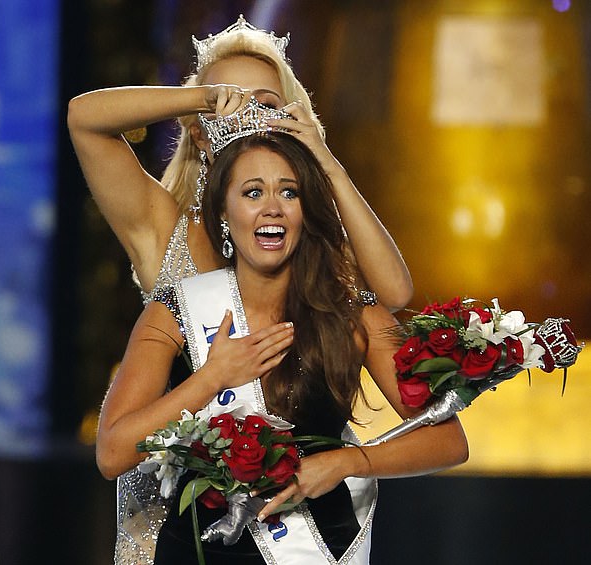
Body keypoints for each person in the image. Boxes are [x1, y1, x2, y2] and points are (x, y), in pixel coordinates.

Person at [68, 16, 414, 563]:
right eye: (233, 104)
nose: (249, 117)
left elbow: (392, 291)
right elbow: (84, 118)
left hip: (292, 517)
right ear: (200, 127)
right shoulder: (165, 227)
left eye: (265, 104)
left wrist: (318, 153)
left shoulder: (302, 239)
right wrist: (202, 98)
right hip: (176, 517)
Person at [96, 129, 468, 564]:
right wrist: (213, 377)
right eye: (253, 192)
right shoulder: (174, 311)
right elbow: (112, 453)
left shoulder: (351, 315)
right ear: (222, 211)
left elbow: (449, 441)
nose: (272, 207)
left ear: (306, 211)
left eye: (288, 192)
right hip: (200, 551)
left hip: (317, 547)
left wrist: (347, 463)